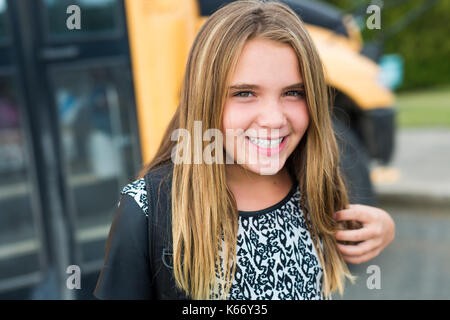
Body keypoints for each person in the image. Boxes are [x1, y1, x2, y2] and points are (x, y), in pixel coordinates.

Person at [94, 0, 395, 300]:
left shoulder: (314, 183)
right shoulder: (147, 212)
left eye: (294, 93)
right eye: (245, 93)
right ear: (204, 99)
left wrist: (384, 226)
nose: (274, 119)